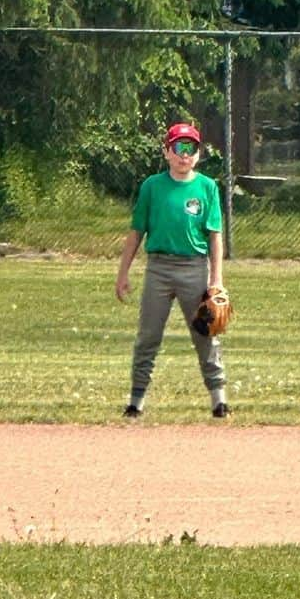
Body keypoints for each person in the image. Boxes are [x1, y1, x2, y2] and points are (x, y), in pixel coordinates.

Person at [114, 122, 229, 420]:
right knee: (149, 335)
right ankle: (136, 401)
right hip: (159, 268)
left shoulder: (206, 187)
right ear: (167, 152)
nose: (184, 155)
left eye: (190, 148)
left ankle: (219, 399)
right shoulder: (153, 186)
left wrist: (216, 280)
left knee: (205, 334)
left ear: (198, 154)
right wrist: (123, 273)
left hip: (194, 266)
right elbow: (137, 231)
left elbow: (215, 235)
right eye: (178, 148)